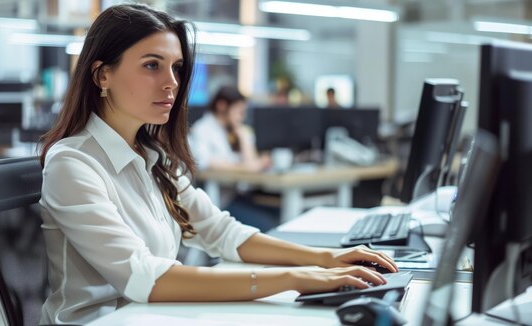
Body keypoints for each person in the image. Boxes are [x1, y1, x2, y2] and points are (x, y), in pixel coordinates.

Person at [38, 4, 398, 325]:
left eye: (176, 68)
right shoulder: (73, 163)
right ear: (102, 75)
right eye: (152, 65)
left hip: (152, 315)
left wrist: (325, 259)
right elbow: (145, 278)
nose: (172, 83)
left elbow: (223, 233)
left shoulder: (154, 158)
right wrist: (293, 278)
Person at [189, 85, 278, 231]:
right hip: (219, 203)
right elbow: (204, 162)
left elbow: (252, 164)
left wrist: (242, 134)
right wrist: (245, 167)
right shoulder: (203, 129)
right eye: (239, 111)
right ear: (222, 106)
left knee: (278, 213)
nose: (241, 116)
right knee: (268, 224)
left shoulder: (232, 131)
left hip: (239, 196)